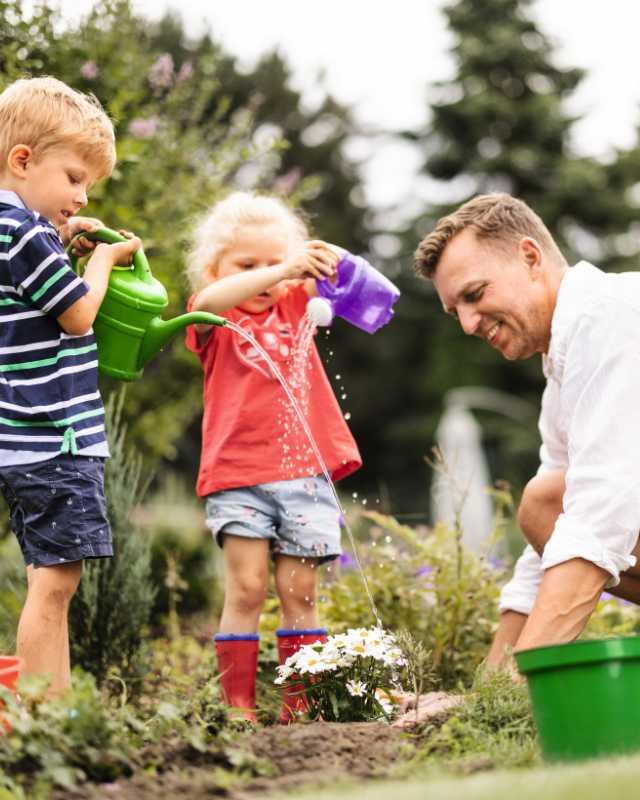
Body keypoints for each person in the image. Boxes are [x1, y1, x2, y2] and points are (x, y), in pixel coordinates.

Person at [395, 192, 640, 726]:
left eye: (475, 294)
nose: (465, 322)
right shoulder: (566, 360)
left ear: (531, 257)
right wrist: (486, 693)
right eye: (455, 308)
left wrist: (508, 700)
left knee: (546, 500)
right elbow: (549, 543)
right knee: (546, 503)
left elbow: (599, 518)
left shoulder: (612, 320)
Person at [184, 191, 362, 722]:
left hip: (304, 475)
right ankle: (237, 707)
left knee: (299, 592)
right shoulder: (211, 316)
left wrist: (329, 262)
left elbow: (355, 291)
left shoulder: (295, 304)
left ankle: (300, 708)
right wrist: (282, 266)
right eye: (248, 265)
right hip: (238, 475)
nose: (266, 277)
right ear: (216, 268)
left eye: (275, 263)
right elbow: (212, 300)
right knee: (247, 587)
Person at [0, 76, 140, 695]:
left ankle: (50, 711)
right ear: (23, 161)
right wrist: (102, 263)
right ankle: (43, 716)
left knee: (51, 578)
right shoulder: (23, 232)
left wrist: (65, 246)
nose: (83, 196)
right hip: (52, 438)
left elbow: (33, 292)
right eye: (75, 178)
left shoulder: (16, 232)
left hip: (23, 439)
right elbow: (78, 315)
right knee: (55, 583)